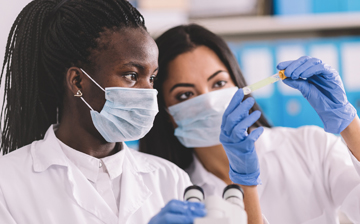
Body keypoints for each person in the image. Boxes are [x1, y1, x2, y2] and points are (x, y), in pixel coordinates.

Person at [0, 1, 208, 223]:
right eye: (131, 75)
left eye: (152, 78)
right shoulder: (8, 184)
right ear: (78, 82)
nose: (149, 92)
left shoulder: (170, 179)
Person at [140, 24, 360, 224]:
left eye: (219, 83)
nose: (208, 101)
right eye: (185, 94)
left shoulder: (311, 146)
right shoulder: (174, 190)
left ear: (239, 84)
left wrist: (349, 123)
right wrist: (246, 183)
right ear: (165, 111)